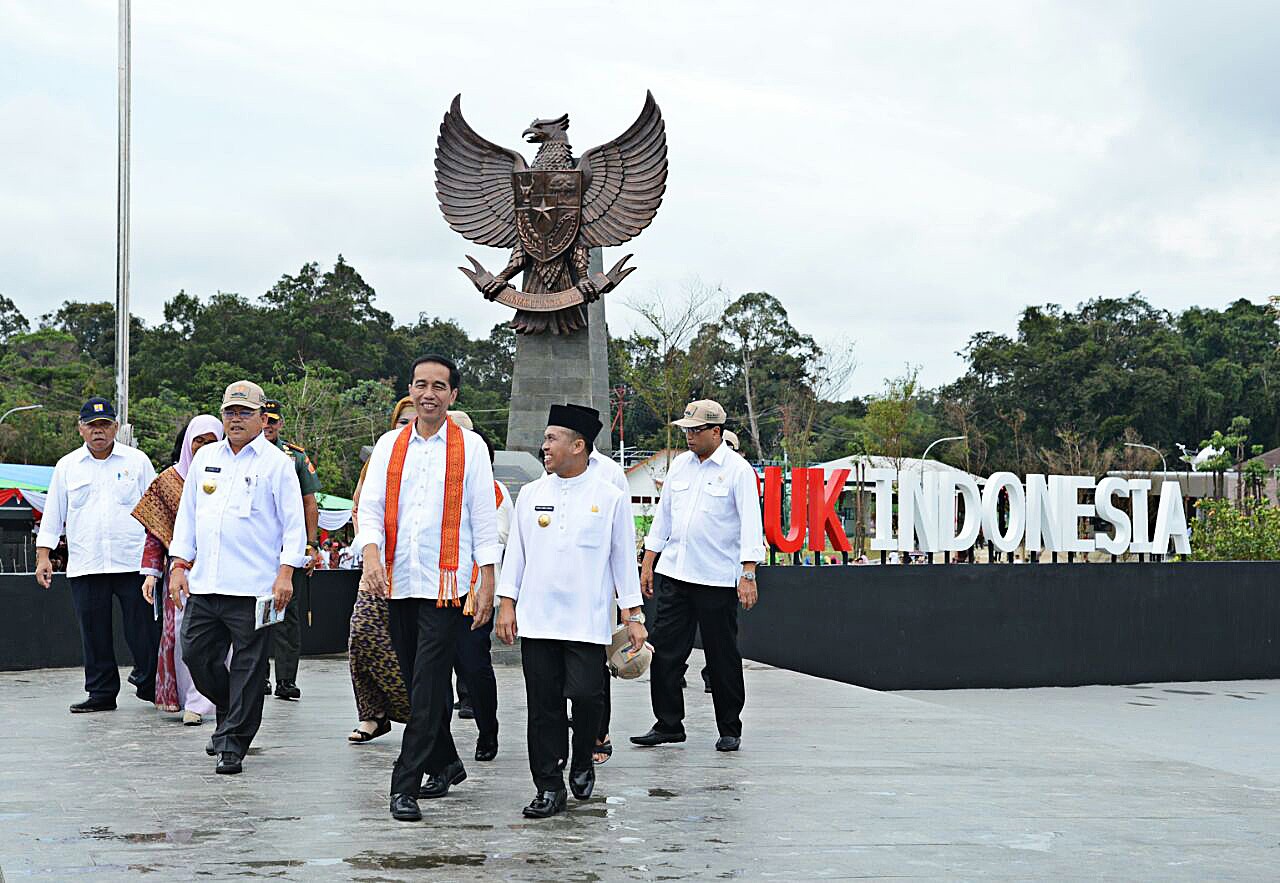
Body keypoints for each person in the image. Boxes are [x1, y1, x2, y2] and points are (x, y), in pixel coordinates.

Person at [354, 355, 500, 823]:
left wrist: (486, 580)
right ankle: (447, 760)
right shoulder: (389, 444)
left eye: (439, 386)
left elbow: (482, 514)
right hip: (397, 580)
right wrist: (372, 554)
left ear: (453, 395)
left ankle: (405, 784)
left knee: (427, 683)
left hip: (446, 583)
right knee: (417, 681)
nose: (429, 394)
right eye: (421, 385)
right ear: (410, 391)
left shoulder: (470, 447)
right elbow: (371, 505)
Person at [497, 404, 646, 818]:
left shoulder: (610, 497)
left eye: (552, 438)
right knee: (542, 705)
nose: (544, 446)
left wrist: (633, 615)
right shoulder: (531, 494)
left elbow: (621, 560)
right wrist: (507, 603)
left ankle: (583, 757)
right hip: (539, 618)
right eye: (545, 438)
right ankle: (548, 785)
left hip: (588, 619)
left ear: (578, 446)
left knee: (586, 695)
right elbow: (517, 556)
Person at [169, 380, 307, 775]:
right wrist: (179, 564)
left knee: (249, 667)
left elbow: (293, 524)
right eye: (230, 411)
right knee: (194, 652)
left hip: (256, 587)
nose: (235, 419)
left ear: (263, 418)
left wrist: (286, 574)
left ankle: (232, 743)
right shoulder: (206, 458)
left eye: (245, 412)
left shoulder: (277, 463)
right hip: (206, 583)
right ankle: (232, 712)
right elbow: (188, 518)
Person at [632, 399, 765, 753]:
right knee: (665, 652)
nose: (689, 436)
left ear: (716, 432)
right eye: (686, 430)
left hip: (717, 578)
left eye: (696, 430)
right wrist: (649, 560)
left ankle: (729, 727)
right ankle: (668, 723)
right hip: (676, 572)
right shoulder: (680, 467)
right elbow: (663, 518)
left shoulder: (737, 470)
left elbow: (751, 524)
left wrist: (748, 573)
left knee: (721, 656)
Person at [36, 397, 159, 713]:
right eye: (92, 425)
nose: (98, 431)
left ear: (116, 427)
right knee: (94, 633)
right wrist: (44, 555)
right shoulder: (67, 466)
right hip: (87, 563)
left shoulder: (137, 461)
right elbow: (53, 514)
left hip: (132, 563)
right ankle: (101, 692)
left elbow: (157, 512)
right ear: (81, 429)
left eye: (104, 425)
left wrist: (157, 561)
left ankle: (150, 683)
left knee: (143, 631)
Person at [133, 415, 224, 724]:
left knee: (222, 639)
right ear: (187, 443)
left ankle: (206, 702)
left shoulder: (231, 475)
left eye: (211, 441)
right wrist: (151, 573)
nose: (203, 447)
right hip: (180, 572)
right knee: (183, 638)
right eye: (198, 441)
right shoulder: (168, 481)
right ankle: (189, 699)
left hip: (224, 568)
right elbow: (155, 533)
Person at [346, 397, 414, 744]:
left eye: (413, 421)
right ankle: (373, 714)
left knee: (412, 647)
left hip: (422, 572)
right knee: (362, 634)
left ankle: (418, 711)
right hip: (377, 565)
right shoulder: (379, 460)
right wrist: (369, 550)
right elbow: (360, 508)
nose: (407, 427)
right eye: (401, 421)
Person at [450, 422, 510, 763]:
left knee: (474, 666)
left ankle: (488, 730)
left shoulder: (496, 492)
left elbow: (502, 537)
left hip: (474, 593)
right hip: (433, 592)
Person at [261, 398, 320, 701]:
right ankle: (257, 677)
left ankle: (285, 678)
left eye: (273, 420)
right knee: (252, 614)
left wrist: (311, 544)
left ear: (280, 423)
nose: (268, 425)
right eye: (264, 419)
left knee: (287, 614)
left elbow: (310, 502)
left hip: (289, 546)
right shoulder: (241, 451)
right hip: (255, 547)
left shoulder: (294, 456)